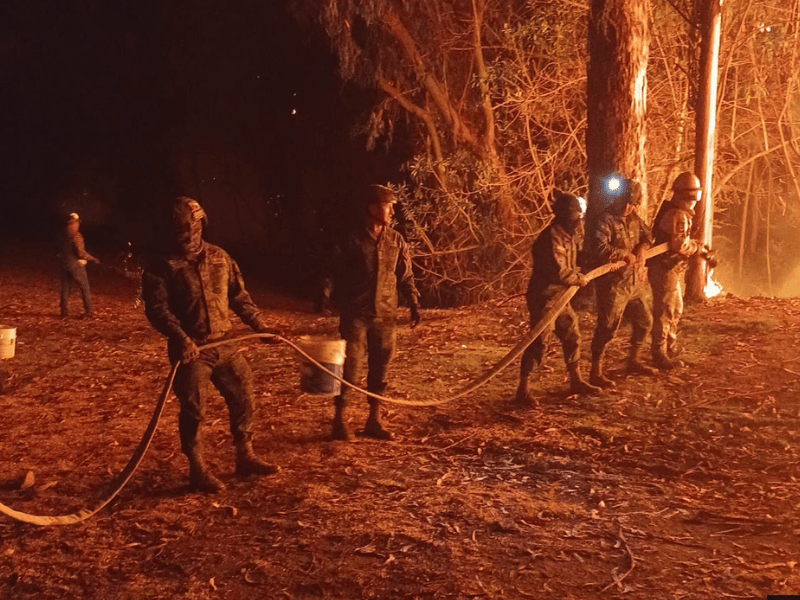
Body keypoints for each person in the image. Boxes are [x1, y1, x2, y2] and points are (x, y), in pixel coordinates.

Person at [142, 196, 283, 493]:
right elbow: (157, 310)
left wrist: (261, 327)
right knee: (194, 409)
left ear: (200, 224)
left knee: (244, 396)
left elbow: (239, 297)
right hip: (191, 351)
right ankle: (197, 468)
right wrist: (182, 338)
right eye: (179, 229)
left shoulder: (221, 258)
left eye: (190, 227)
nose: (186, 234)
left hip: (226, 344)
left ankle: (245, 456)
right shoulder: (161, 266)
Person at [320, 184, 421, 442]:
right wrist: (325, 294)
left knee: (381, 368)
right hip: (356, 314)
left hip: (386, 315)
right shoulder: (351, 238)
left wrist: (413, 303)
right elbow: (332, 270)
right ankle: (340, 421)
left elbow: (405, 275)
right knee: (350, 367)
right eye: (388, 205)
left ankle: (374, 419)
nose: (392, 210)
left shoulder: (395, 239)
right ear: (372, 207)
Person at [513, 189, 600, 404]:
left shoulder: (567, 236)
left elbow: (573, 260)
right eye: (576, 217)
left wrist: (590, 262)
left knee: (572, 333)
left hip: (561, 297)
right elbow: (558, 271)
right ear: (565, 217)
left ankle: (576, 379)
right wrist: (578, 278)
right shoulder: (550, 239)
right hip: (544, 298)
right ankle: (523, 389)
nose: (579, 222)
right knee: (539, 341)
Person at [589, 179, 657, 388]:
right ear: (617, 199)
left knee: (645, 321)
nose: (629, 207)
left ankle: (633, 360)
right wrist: (622, 254)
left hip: (634, 284)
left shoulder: (634, 218)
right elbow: (599, 248)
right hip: (612, 286)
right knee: (607, 327)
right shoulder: (604, 220)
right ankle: (595, 371)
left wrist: (643, 247)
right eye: (626, 202)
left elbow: (648, 235)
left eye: (633, 203)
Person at [649, 172, 704, 370]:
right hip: (664, 269)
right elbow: (679, 245)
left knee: (676, 309)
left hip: (670, 268)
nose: (693, 203)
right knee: (665, 311)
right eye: (691, 198)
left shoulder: (679, 212)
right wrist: (698, 248)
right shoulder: (677, 215)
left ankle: (669, 346)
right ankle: (659, 353)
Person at [58, 212, 100, 319]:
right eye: (77, 222)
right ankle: (89, 312)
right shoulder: (76, 235)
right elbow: (81, 253)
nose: (78, 225)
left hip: (63, 265)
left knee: (65, 289)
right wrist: (93, 259)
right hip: (76, 265)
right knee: (84, 287)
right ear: (74, 223)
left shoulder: (62, 234)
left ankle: (63, 313)